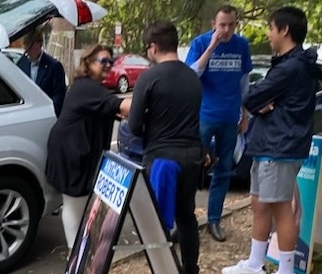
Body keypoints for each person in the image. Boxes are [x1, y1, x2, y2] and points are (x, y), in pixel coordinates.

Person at [222, 6, 318, 274]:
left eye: (270, 28)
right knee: (260, 203)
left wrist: (259, 99)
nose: (268, 34)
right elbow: (257, 97)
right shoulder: (289, 65)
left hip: (280, 147)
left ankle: (286, 270)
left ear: (284, 30)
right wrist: (260, 99)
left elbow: (251, 98)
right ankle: (255, 263)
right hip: (269, 144)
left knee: (280, 208)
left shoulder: (292, 67)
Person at [128, 21, 204, 274]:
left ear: (153, 47)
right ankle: (191, 268)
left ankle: (164, 269)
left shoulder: (149, 77)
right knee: (186, 216)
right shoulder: (192, 76)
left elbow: (135, 126)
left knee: (158, 220)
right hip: (192, 156)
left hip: (161, 158)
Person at [45, 44, 131, 256]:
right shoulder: (86, 87)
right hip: (71, 153)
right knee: (75, 203)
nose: (108, 66)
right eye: (103, 61)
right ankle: (76, 255)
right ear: (87, 63)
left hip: (76, 149)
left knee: (78, 203)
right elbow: (125, 107)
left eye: (111, 62)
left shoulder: (91, 88)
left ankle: (79, 250)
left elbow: (110, 111)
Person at [185, 4, 253, 242]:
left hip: (229, 117)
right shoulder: (201, 43)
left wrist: (245, 115)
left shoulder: (242, 45)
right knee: (193, 169)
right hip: (203, 116)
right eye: (222, 25)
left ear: (236, 24)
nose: (226, 30)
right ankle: (185, 221)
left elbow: (244, 82)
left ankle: (214, 220)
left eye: (231, 25)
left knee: (223, 171)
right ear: (214, 24)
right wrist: (212, 46)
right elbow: (191, 75)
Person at [17, 28, 67, 117]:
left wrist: (47, 113)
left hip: (46, 116)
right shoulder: (21, 64)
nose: (27, 52)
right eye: (25, 48)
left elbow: (59, 96)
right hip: (25, 115)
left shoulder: (54, 66)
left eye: (30, 48)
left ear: (39, 44)